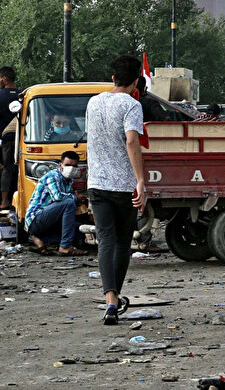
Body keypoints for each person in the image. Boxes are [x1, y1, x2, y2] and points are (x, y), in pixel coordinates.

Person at [86, 55, 146, 325]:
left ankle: (110, 300)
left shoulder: (93, 102)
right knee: (123, 243)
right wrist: (141, 180)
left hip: (97, 184)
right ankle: (115, 298)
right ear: (135, 81)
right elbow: (132, 141)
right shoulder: (132, 105)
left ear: (112, 78)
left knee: (105, 240)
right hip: (123, 186)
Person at [24, 151, 87, 255]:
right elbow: (58, 197)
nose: (70, 168)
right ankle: (65, 247)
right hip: (36, 219)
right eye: (67, 165)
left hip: (50, 221)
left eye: (74, 166)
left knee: (79, 230)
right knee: (69, 202)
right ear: (60, 165)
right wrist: (75, 198)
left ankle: (40, 239)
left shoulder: (69, 180)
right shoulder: (53, 176)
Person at [0, 66, 20, 210]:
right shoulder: (23, 95)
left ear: (5, 79)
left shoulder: (0, 96)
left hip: (6, 139)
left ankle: (4, 201)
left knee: (7, 169)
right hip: (23, 138)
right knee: (20, 169)